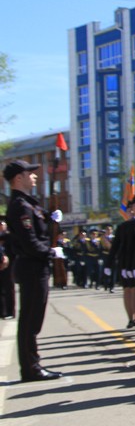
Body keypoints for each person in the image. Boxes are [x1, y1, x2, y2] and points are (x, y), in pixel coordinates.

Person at [4, 159, 64, 381]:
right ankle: (31, 368)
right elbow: (29, 241)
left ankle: (33, 365)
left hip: (34, 265)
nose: (34, 176)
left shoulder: (28, 203)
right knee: (30, 319)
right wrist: (51, 252)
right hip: (31, 265)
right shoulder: (20, 205)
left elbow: (37, 226)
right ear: (18, 178)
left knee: (34, 317)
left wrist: (49, 218)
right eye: (30, 173)